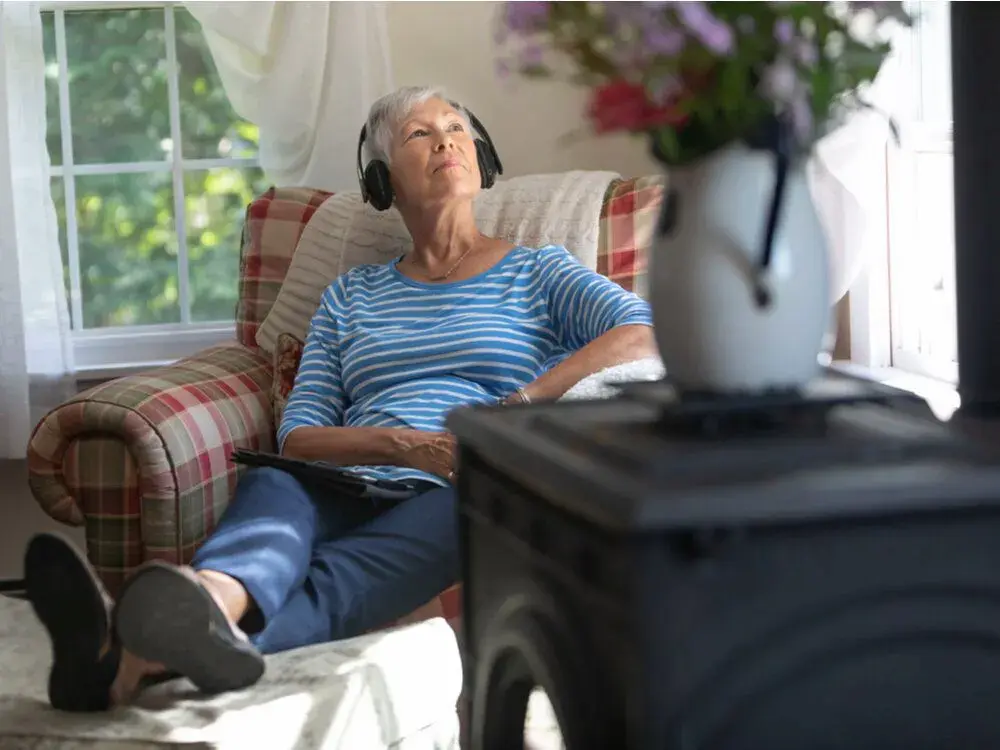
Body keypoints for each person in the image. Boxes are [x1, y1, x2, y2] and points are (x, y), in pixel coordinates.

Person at [23, 84, 658, 712]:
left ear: (481, 158)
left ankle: (121, 661)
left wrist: (518, 406)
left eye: (457, 128)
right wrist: (400, 445)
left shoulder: (538, 271)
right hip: (341, 474)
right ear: (383, 181)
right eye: (420, 133)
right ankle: (208, 600)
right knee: (275, 487)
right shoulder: (351, 295)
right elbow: (299, 436)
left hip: (462, 484)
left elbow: (641, 333)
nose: (446, 140)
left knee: (345, 577)